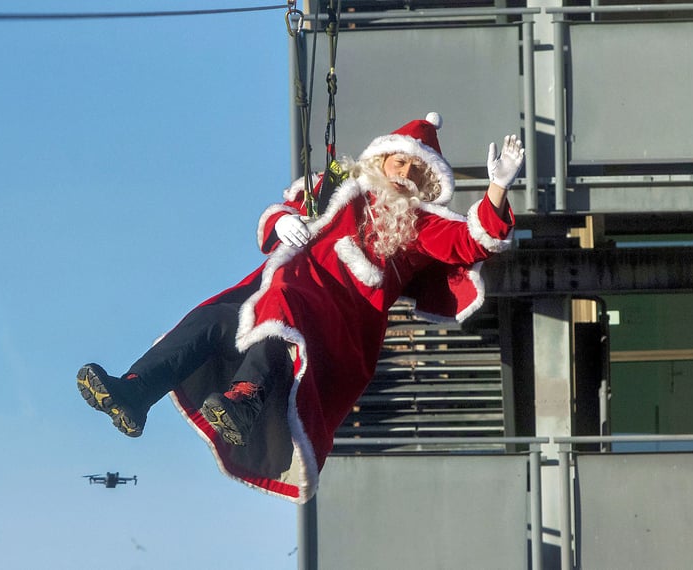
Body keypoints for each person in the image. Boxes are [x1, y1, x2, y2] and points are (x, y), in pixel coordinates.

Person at [77, 112, 523, 503]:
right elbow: (281, 214)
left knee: (285, 313)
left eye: (416, 169)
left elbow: (471, 239)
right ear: (382, 159)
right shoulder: (337, 187)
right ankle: (134, 392)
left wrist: (498, 187)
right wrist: (285, 219)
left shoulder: (419, 223)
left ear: (427, 183)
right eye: (399, 160)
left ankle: (245, 400)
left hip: (339, 320)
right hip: (280, 288)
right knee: (212, 320)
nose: (405, 172)